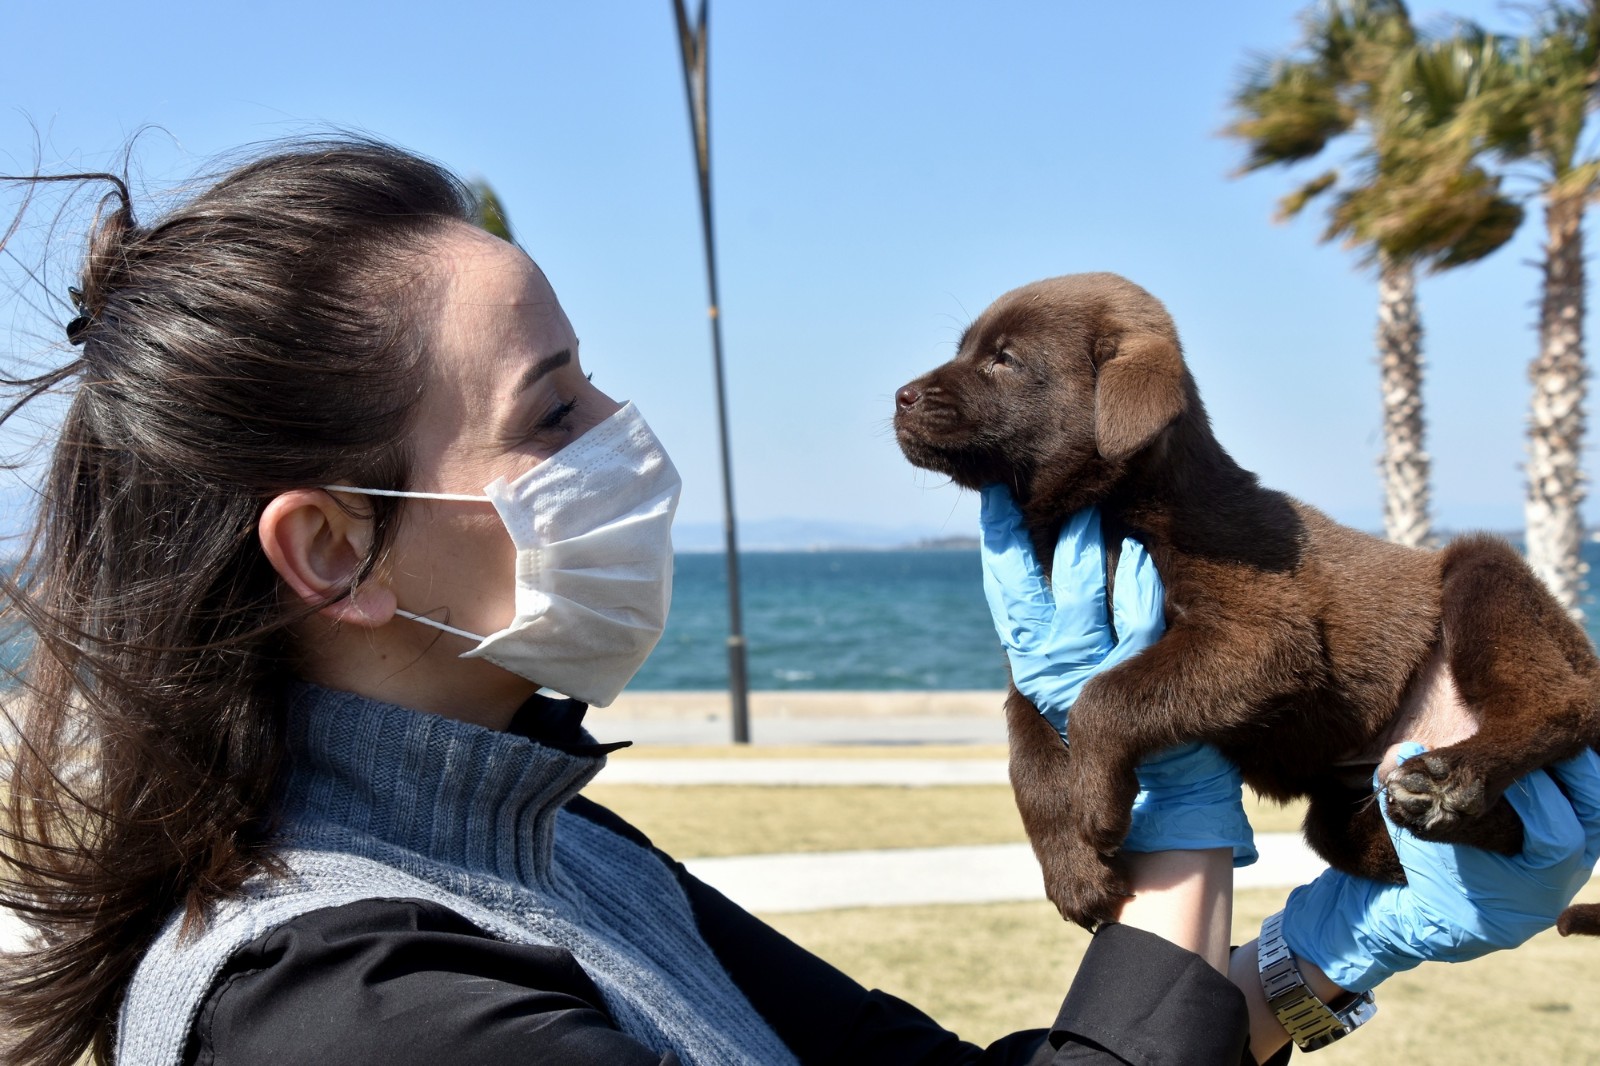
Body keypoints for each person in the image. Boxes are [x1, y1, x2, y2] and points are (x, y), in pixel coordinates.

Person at [0, 138, 1595, 1066]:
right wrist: (1178, 811)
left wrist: (1336, 956)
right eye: (553, 412)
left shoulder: (559, 854)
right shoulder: (370, 1014)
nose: (629, 438)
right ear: (331, 549)